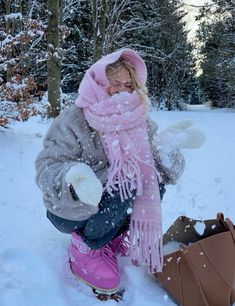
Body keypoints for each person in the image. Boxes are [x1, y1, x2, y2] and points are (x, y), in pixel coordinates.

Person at [35, 48, 203, 293]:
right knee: (125, 183)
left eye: (128, 84)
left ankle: (111, 237)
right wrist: (75, 178)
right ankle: (86, 247)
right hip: (70, 208)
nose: (122, 90)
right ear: (98, 83)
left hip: (110, 203)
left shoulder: (138, 119)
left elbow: (161, 173)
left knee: (150, 181)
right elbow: (47, 167)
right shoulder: (74, 119)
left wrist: (166, 147)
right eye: (113, 83)